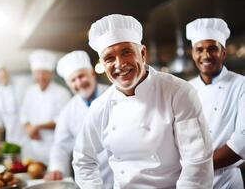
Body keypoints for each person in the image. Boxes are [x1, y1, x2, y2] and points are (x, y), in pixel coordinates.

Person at [72, 14, 214, 188]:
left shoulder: (178, 92)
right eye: (109, 58)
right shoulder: (100, 106)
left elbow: (197, 162)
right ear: (102, 63)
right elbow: (82, 159)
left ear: (143, 53)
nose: (120, 64)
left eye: (126, 52)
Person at [187, 18, 245, 189]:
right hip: (191, 182)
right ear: (193, 54)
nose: (206, 55)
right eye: (199, 49)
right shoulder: (185, 88)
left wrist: (197, 167)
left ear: (223, 53)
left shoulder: (241, 85)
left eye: (213, 48)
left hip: (227, 181)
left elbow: (242, 139)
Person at [44, 50, 113, 188]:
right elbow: (60, 146)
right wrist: (56, 168)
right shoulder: (68, 111)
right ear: (68, 84)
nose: (79, 83)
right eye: (73, 80)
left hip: (121, 175)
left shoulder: (114, 95)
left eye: (81, 76)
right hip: (89, 180)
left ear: (92, 74)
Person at [20, 49, 71, 165]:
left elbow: (63, 121)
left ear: (51, 74)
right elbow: (24, 115)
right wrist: (29, 128)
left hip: (55, 148)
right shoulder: (30, 91)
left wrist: (37, 127)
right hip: (32, 147)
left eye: (44, 73)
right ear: (33, 74)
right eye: (37, 72)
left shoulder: (62, 93)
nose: (41, 76)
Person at [0, 57, 31, 152]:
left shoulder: (24, 82)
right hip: (12, 141)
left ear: (6, 70)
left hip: (30, 138)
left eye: (2, 70)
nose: (2, 74)